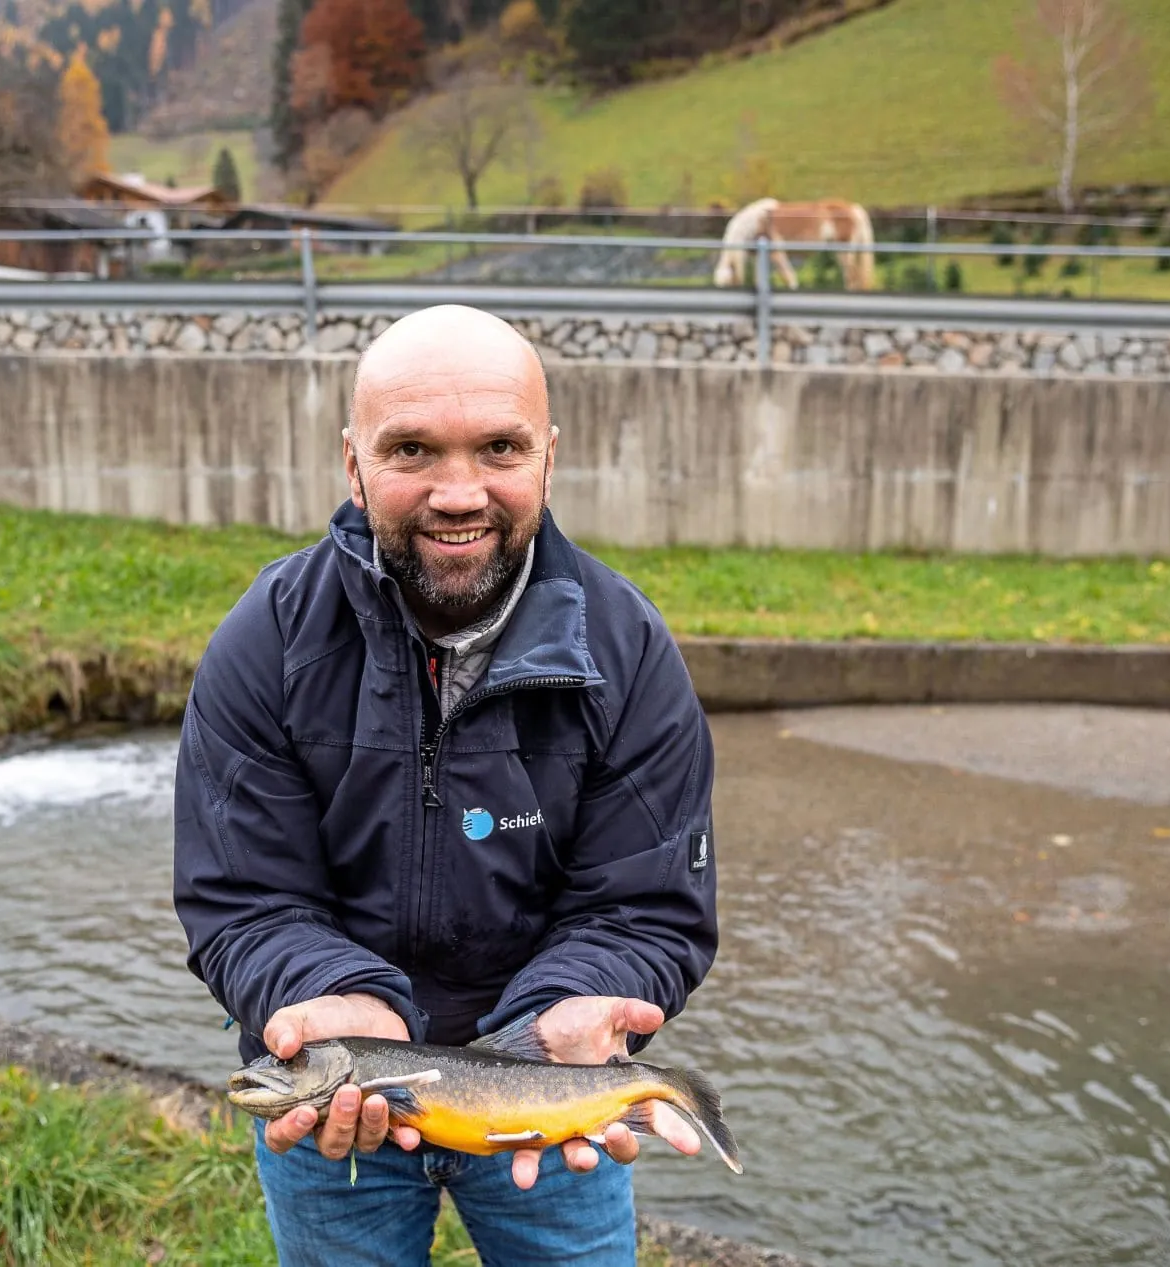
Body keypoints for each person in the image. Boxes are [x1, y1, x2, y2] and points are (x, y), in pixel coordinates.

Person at [173, 304, 718, 1266]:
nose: (458, 491)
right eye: (413, 449)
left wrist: (577, 1008)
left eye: (499, 447)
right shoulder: (267, 641)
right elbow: (243, 897)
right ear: (354, 463)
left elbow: (645, 908)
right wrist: (328, 994)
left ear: (550, 455)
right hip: (334, 1090)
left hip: (551, 1085)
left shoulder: (630, 651)